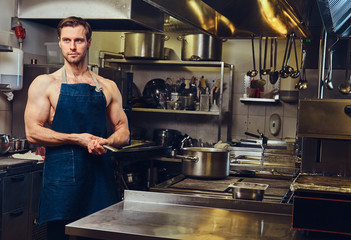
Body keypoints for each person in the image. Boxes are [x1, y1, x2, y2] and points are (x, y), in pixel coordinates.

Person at [24, 16, 130, 240]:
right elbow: (32, 132)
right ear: (60, 42)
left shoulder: (107, 86)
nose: (72, 47)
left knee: (97, 236)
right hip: (61, 181)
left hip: (99, 179)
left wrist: (107, 141)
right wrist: (77, 139)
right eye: (67, 40)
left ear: (89, 42)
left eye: (79, 40)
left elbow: (123, 131)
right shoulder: (46, 83)